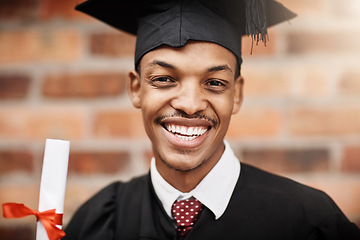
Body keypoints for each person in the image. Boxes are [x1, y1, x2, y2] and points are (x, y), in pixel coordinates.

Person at [64, 0, 360, 239]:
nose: (191, 105)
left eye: (215, 82)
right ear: (136, 88)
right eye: (165, 79)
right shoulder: (98, 223)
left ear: (237, 94)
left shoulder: (306, 223)